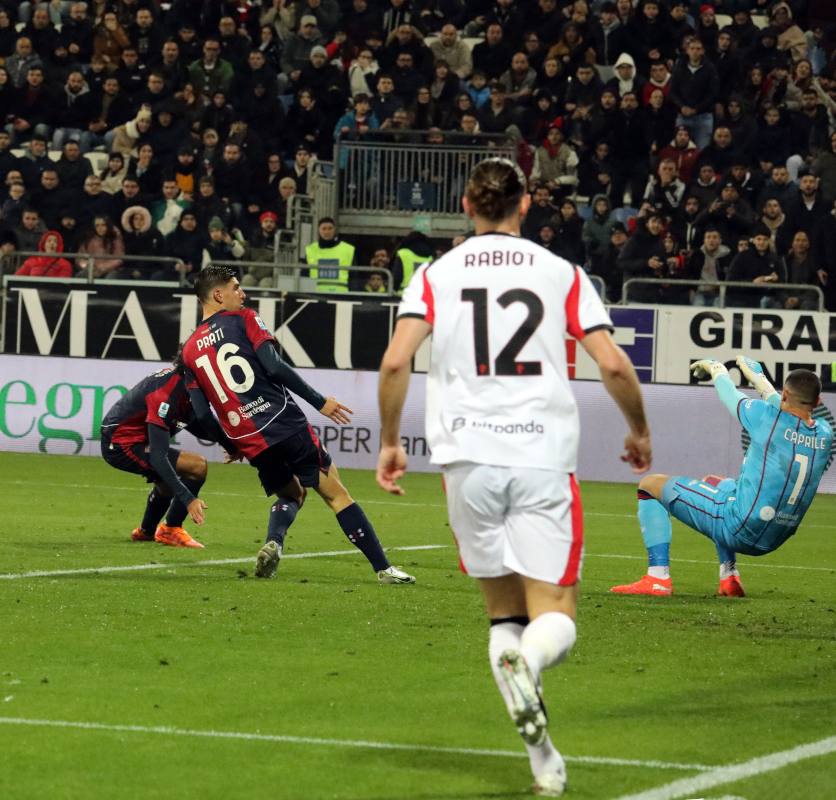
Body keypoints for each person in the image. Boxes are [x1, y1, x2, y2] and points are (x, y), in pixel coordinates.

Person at [375, 158, 651, 797]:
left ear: (467, 204)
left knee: (504, 617)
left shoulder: (435, 276)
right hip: (542, 457)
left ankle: (544, 762)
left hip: (466, 460)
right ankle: (529, 666)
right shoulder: (562, 274)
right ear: (525, 206)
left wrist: (391, 441)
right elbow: (611, 364)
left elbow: (395, 361)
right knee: (555, 616)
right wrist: (639, 430)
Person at [183, 264, 416, 586]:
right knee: (336, 494)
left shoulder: (189, 350)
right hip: (284, 424)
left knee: (293, 494)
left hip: (251, 441)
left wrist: (231, 445)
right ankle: (384, 569)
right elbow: (274, 366)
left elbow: (202, 414)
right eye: (237, 287)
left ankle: (274, 543)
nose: (243, 293)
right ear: (218, 294)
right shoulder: (245, 319)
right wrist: (318, 400)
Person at [613, 358, 832, 599]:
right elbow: (789, 410)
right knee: (714, 482)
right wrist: (759, 381)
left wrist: (717, 369)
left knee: (649, 485)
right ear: (818, 403)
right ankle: (729, 576)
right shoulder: (825, 432)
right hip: (775, 537)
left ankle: (657, 578)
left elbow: (729, 394)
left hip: (738, 527)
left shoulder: (764, 417)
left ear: (785, 394)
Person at [100, 350, 237, 549]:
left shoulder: (186, 385)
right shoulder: (165, 394)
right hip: (121, 445)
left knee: (166, 483)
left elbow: (194, 423)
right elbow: (157, 456)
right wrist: (189, 499)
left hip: (133, 439)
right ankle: (171, 529)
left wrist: (228, 442)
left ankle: (146, 532)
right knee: (197, 466)